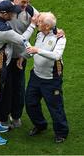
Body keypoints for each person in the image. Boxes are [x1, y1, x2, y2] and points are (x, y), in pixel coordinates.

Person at [0, 0, 36, 145]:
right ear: (3, 14)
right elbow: (22, 39)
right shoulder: (4, 31)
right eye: (12, 13)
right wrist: (33, 25)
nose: (15, 14)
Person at [25, 12, 69, 143]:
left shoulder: (60, 38)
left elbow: (56, 56)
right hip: (36, 76)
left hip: (51, 80)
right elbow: (33, 51)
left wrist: (37, 50)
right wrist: (24, 56)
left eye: (39, 22)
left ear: (47, 26)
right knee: (30, 103)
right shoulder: (39, 34)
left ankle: (61, 133)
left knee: (55, 107)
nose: (37, 23)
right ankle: (40, 125)